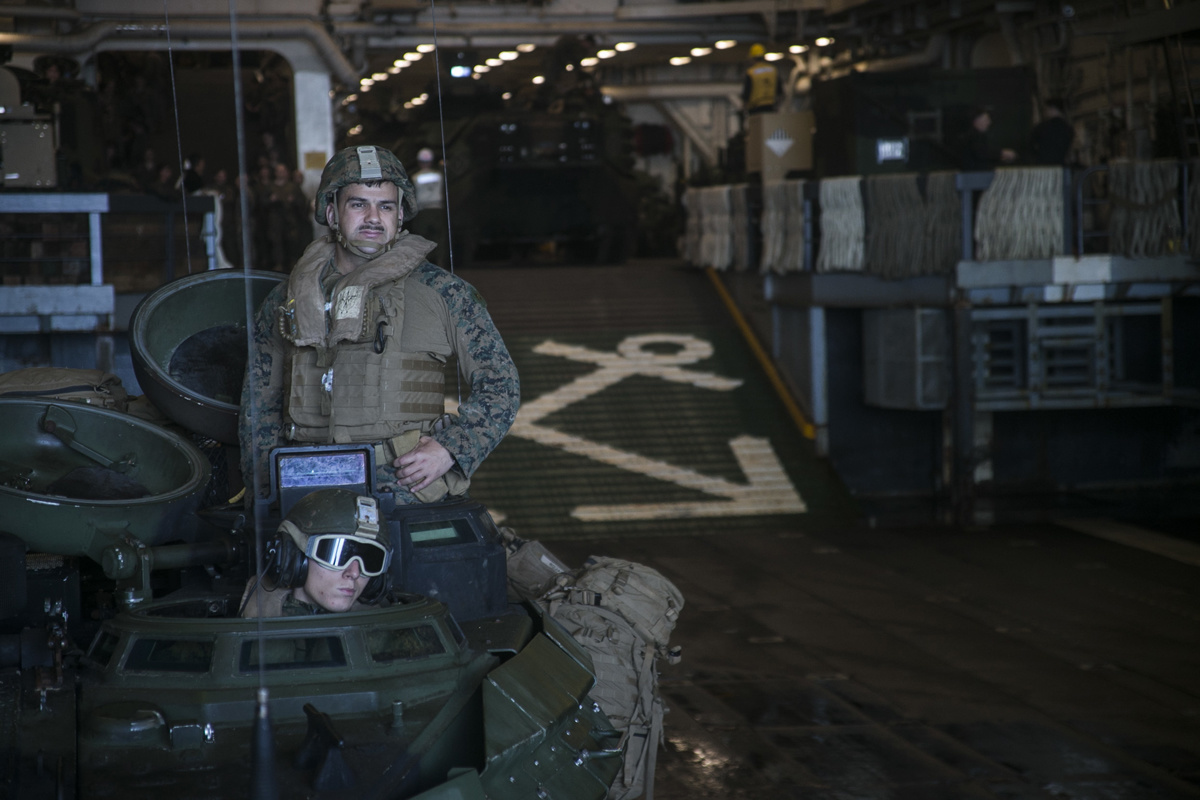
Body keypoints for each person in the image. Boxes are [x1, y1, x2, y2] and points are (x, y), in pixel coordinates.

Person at [239, 145, 520, 505]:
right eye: (358, 204)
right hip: (305, 488)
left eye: (385, 206)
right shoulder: (287, 298)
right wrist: (264, 491)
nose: (373, 218)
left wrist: (450, 449)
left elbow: (501, 384)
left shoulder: (444, 292)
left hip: (404, 490)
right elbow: (259, 402)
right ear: (332, 212)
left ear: (400, 215)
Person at [241, 488, 391, 617]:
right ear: (293, 558)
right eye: (337, 556)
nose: (354, 573)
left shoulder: (386, 629)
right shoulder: (256, 626)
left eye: (370, 560)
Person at [406, 147, 449, 267]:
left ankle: (424, 265)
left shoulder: (415, 177)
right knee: (439, 238)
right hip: (437, 210)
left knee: (422, 239)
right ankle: (440, 263)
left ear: (419, 162)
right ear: (431, 161)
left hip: (423, 212)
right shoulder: (439, 175)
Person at [959, 107, 1016, 171]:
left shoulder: (976, 136)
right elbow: (981, 153)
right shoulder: (973, 136)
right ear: (976, 120)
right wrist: (1002, 153)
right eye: (986, 120)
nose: (989, 122)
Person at [1030, 97, 1075, 166]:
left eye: (1046, 109)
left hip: (1042, 166)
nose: (1045, 112)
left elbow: (1030, 145)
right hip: (1061, 166)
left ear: (1052, 108)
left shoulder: (1041, 127)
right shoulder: (1068, 128)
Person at [741, 43, 783, 115]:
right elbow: (780, 92)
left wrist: (744, 108)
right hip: (771, 107)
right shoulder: (773, 70)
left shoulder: (751, 72)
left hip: (755, 108)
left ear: (752, 58)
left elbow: (747, 93)